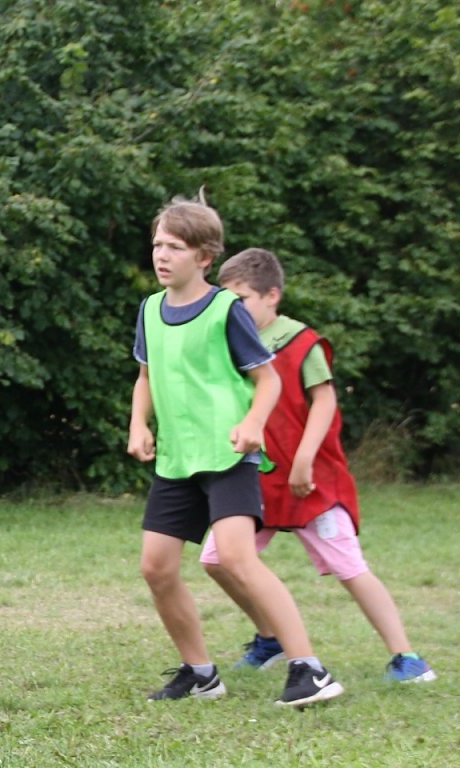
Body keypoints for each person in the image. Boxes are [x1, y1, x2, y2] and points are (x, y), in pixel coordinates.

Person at [127, 195, 344, 707]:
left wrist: (252, 423)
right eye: (157, 244)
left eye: (175, 247)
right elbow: (146, 376)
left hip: (228, 455)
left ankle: (309, 669)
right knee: (156, 568)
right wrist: (138, 423)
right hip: (177, 459)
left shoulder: (226, 309)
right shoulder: (150, 310)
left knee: (238, 559)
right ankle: (201, 674)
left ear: (204, 257)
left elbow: (268, 379)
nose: (161, 255)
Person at [199, 247, 436, 684]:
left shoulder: (301, 342)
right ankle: (270, 638)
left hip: (312, 482)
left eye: (242, 299)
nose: (234, 309)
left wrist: (305, 459)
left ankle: (407, 658)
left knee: (349, 567)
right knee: (216, 559)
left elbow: (324, 401)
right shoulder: (232, 345)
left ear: (272, 296)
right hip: (257, 480)